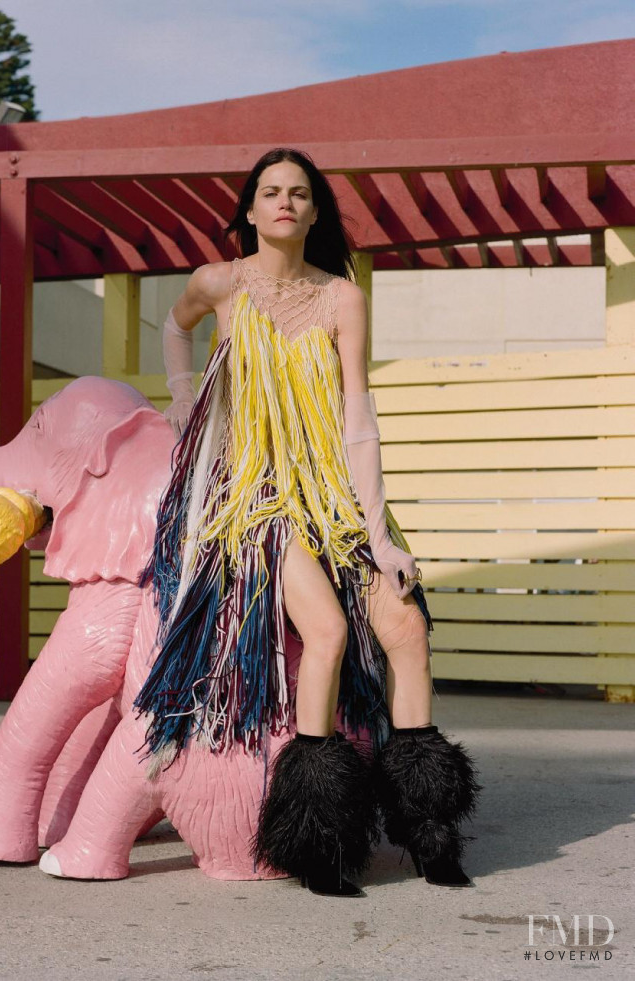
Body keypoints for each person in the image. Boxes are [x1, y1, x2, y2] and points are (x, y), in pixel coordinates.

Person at [135, 148, 480, 897]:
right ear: (251, 210)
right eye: (271, 192)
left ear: (315, 211)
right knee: (323, 632)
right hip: (257, 495)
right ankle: (318, 836)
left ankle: (428, 828)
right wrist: (183, 393)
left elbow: (358, 415)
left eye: (299, 193)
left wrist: (378, 530)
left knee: (406, 627)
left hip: (334, 489)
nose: (285, 202)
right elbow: (174, 323)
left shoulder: (340, 297)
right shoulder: (220, 283)